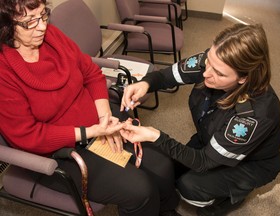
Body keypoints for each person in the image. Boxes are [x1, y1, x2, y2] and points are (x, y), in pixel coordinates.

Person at [0, 1, 181, 215]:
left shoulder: (53, 36)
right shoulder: (4, 73)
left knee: (162, 163)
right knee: (140, 190)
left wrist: (104, 118)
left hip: (97, 122)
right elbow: (28, 136)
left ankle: (166, 210)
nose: (41, 26)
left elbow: (92, 74)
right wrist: (93, 131)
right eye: (30, 21)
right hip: (58, 152)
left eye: (43, 15)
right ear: (6, 26)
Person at [120, 23, 280, 216]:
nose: (205, 73)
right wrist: (146, 83)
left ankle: (228, 198)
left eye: (219, 73)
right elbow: (168, 76)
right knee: (164, 167)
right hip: (210, 138)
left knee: (189, 186)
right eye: (209, 62)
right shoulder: (213, 61)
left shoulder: (254, 115)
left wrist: (156, 136)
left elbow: (204, 161)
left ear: (243, 78)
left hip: (251, 163)